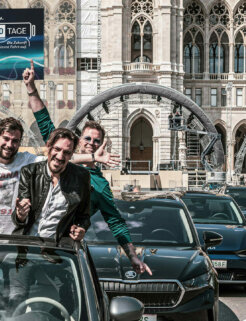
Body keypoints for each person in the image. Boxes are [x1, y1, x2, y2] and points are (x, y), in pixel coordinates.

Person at [23, 61, 151, 275]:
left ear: (104, 145)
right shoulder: (61, 157)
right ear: (80, 141)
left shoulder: (99, 185)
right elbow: (45, 123)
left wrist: (133, 256)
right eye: (88, 138)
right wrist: (31, 88)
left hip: (65, 250)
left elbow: (116, 223)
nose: (92, 142)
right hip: (34, 241)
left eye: (97, 141)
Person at [13, 128, 90, 242]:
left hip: (58, 250)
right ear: (48, 146)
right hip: (27, 247)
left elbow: (84, 216)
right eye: (57, 149)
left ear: (72, 154)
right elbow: (20, 214)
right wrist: (21, 215)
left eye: (66, 152)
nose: (60, 156)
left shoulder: (81, 177)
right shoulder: (29, 172)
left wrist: (80, 228)